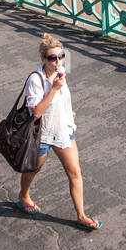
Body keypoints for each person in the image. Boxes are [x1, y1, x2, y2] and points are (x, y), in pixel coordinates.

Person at [16, 33, 100, 231]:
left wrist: (68, 111)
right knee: (33, 169)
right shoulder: (35, 80)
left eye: (61, 56)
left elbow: (64, 95)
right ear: (43, 59)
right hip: (42, 135)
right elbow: (36, 112)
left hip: (63, 130)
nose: (58, 61)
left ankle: (81, 215)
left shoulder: (61, 69)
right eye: (53, 58)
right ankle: (23, 195)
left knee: (75, 172)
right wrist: (53, 89)